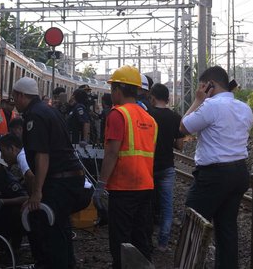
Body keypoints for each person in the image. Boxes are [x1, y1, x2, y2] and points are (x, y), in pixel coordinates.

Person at [179, 66, 252, 269]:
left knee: (193, 225)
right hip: (239, 173)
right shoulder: (244, 108)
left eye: (202, 86)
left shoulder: (210, 106)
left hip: (214, 176)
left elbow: (183, 127)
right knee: (227, 229)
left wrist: (197, 100)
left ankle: (186, 265)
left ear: (209, 85)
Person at [12, 77, 85, 269]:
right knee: (61, 229)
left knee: (52, 232)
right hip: (70, 178)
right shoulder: (48, 110)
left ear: (20, 95)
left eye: (14, 98)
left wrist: (37, 193)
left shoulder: (35, 115)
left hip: (60, 180)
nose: (14, 103)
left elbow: (42, 155)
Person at [94, 65, 157, 269]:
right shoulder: (149, 119)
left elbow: (112, 153)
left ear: (118, 89)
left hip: (123, 188)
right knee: (141, 237)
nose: (111, 93)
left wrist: (100, 184)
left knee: (121, 241)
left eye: (112, 88)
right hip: (146, 185)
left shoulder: (117, 114)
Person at [148, 83, 185, 251]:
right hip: (167, 167)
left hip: (148, 166)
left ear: (152, 97)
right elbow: (179, 146)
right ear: (168, 98)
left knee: (146, 204)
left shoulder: (148, 115)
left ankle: (146, 241)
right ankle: (163, 243)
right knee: (167, 206)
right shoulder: (176, 117)